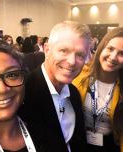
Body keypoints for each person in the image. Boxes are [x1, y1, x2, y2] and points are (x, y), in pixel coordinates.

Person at [20, 21, 91, 152]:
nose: (72, 62)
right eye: (64, 51)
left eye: (80, 55)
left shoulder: (73, 93)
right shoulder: (23, 94)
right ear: (47, 50)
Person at [72, 27, 123, 152]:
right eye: (110, 48)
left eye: (122, 54)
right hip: (78, 141)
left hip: (108, 144)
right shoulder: (79, 76)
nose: (113, 57)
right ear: (102, 47)